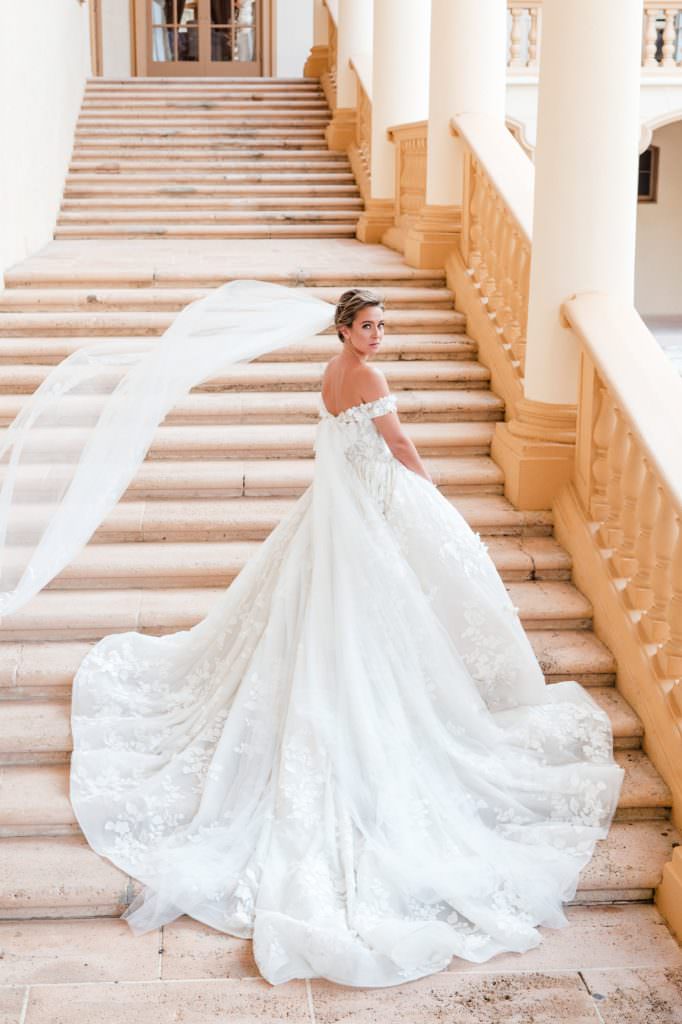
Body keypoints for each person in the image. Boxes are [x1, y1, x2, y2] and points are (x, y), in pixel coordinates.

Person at [68, 287, 624, 989]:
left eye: (383, 327)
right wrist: (431, 495)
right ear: (344, 329)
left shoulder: (332, 374)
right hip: (363, 516)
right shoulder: (369, 378)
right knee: (371, 630)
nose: (378, 336)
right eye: (368, 326)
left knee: (314, 617)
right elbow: (396, 444)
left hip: (337, 515)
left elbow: (347, 440)